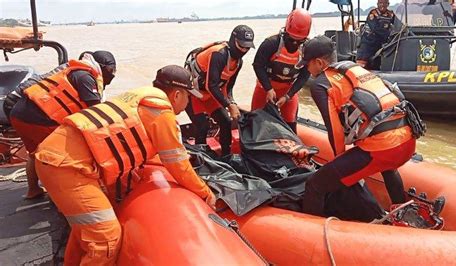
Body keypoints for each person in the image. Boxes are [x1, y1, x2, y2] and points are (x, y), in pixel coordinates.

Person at [34, 65, 217, 265]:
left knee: (84, 230)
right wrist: (205, 193)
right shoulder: (161, 111)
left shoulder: (139, 97)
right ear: (177, 94)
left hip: (56, 156)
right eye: (188, 97)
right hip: (68, 167)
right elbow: (176, 163)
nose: (188, 103)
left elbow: (138, 145)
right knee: (105, 239)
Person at [296, 35, 426, 221]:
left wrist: (338, 166)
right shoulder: (355, 68)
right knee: (388, 168)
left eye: (307, 64)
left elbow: (335, 130)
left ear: (318, 62)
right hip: (407, 142)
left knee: (315, 184)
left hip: (382, 148)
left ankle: (312, 233)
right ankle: (403, 213)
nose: (307, 70)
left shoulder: (321, 84)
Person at [8, 50, 116, 199]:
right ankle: (64, 198)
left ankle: (33, 190)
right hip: (39, 119)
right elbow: (95, 113)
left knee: (34, 154)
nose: (113, 75)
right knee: (60, 156)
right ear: (102, 67)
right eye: (111, 70)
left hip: (19, 115)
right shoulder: (86, 77)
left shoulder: (75, 71)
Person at [185, 25, 255, 157]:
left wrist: (232, 103)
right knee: (202, 126)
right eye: (241, 46)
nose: (244, 50)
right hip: (193, 94)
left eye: (247, 47)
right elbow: (211, 85)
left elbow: (228, 87)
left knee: (226, 122)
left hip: (210, 95)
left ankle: (226, 156)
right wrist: (228, 105)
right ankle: (201, 159)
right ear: (233, 41)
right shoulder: (219, 54)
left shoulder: (238, 62)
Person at [251, 8, 312, 133]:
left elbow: (304, 76)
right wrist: (268, 88)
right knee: (255, 123)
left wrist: (288, 96)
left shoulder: (307, 49)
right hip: (264, 89)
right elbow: (257, 65)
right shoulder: (271, 43)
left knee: (290, 125)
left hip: (288, 91)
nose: (295, 43)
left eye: (299, 40)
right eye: (291, 39)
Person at [356, 0, 394, 69]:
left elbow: (398, 24)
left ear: (388, 4)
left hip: (379, 45)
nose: (382, 5)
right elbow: (375, 28)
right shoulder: (373, 13)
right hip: (368, 43)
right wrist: (389, 35)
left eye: (385, 3)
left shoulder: (390, 14)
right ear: (377, 4)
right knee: (361, 65)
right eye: (380, 3)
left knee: (377, 65)